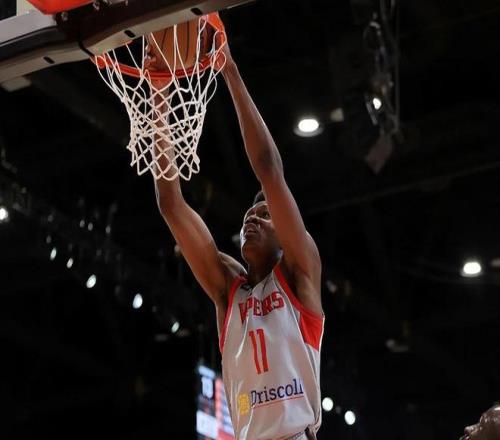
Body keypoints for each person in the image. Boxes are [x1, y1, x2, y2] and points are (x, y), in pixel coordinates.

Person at [150, 30, 324, 440]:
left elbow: (269, 169)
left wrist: (228, 69)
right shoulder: (229, 292)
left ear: (287, 236)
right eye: (249, 214)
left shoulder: (300, 274)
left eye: (265, 215)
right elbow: (171, 204)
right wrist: (158, 95)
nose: (252, 219)